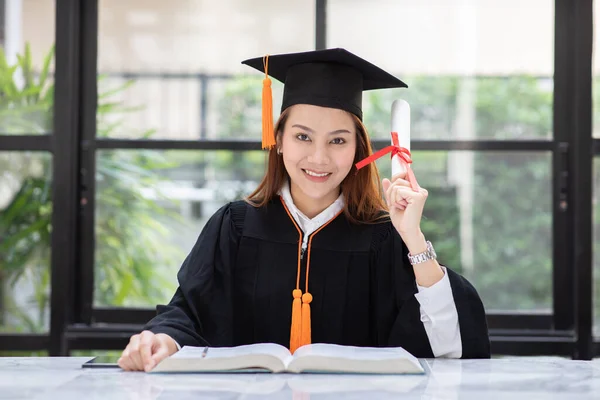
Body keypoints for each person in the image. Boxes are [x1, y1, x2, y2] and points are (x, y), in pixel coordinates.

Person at [117, 48, 490, 372]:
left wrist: (412, 237)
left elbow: (449, 345)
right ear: (278, 139)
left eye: (338, 140)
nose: (319, 157)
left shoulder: (382, 237)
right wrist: (163, 339)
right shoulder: (235, 226)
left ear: (359, 149)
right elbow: (188, 311)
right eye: (302, 136)